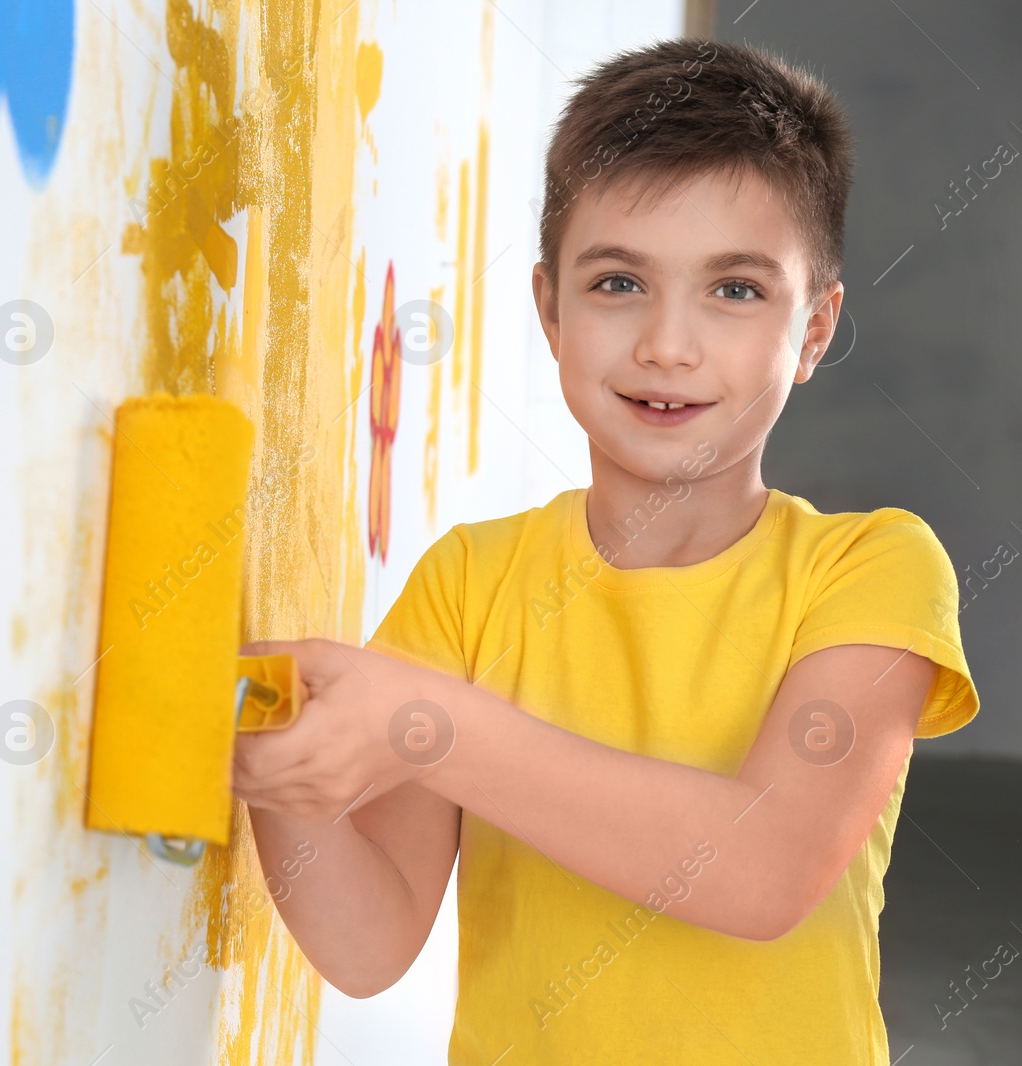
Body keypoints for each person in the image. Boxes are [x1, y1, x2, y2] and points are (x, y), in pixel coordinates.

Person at [233, 36, 980, 1064]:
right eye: (618, 282)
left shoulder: (873, 569)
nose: (666, 345)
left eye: (735, 290)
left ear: (813, 331)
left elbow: (761, 871)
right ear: (549, 308)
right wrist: (282, 783)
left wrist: (433, 727)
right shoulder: (469, 582)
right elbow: (370, 944)